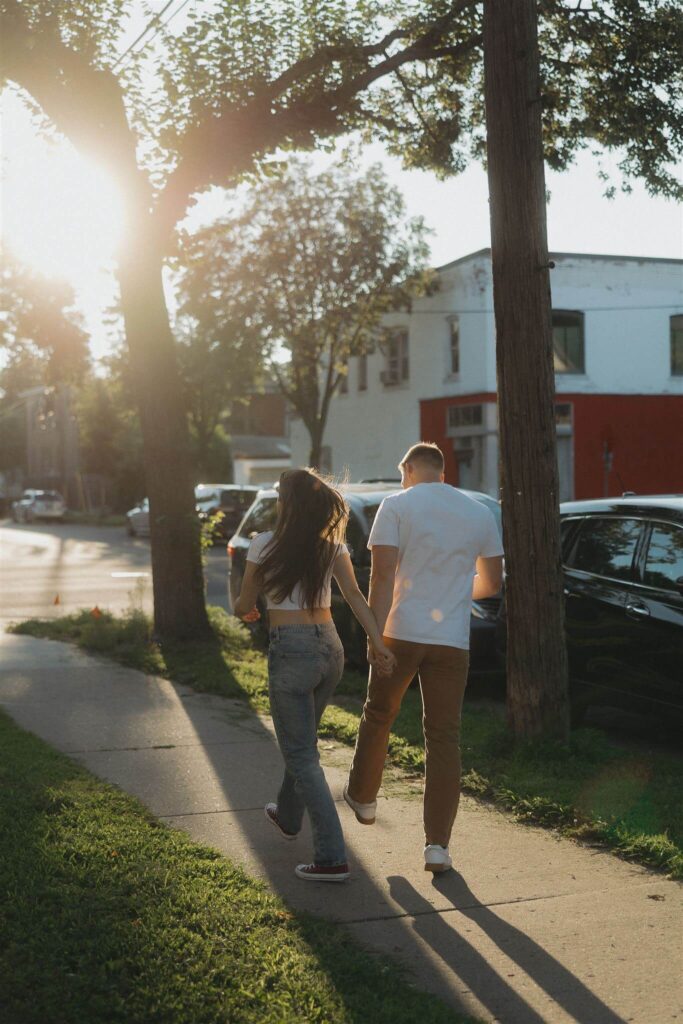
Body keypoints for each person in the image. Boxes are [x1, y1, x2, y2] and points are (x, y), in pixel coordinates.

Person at [343, 443, 504, 873]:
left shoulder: (396, 505)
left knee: (379, 712)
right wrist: (451, 590)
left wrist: (375, 636)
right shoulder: (478, 513)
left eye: (402, 474)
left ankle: (364, 798)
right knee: (443, 737)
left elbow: (381, 577)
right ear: (442, 471)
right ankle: (438, 846)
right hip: (452, 640)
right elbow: (491, 583)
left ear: (409, 469)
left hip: (401, 632)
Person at [233, 468, 396, 883]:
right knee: (301, 742)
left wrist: (248, 609)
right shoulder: (332, 546)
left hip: (292, 649)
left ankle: (331, 857)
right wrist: (376, 641)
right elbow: (355, 597)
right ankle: (289, 816)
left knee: (302, 754)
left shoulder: (263, 544)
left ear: (286, 504)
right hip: (330, 648)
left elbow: (243, 605)